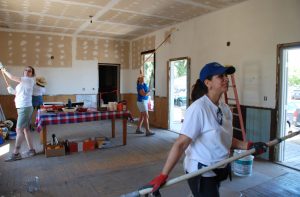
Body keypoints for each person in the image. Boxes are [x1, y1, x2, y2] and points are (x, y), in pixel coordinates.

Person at [145, 62, 268, 197]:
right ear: (208, 83)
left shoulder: (225, 109)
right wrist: (163, 175)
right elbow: (181, 144)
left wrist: (249, 146)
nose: (226, 79)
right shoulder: (198, 109)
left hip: (220, 168)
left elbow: (224, 139)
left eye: (226, 75)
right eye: (221, 76)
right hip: (202, 171)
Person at [1, 65, 37, 161]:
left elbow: (12, 77)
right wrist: (12, 91)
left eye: (30, 71)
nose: (27, 71)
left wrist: (4, 70)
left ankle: (16, 154)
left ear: (32, 74)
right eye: (26, 70)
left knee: (18, 130)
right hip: (22, 107)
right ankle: (31, 150)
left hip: (25, 108)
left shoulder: (29, 80)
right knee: (25, 129)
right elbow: (19, 94)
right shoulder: (22, 83)